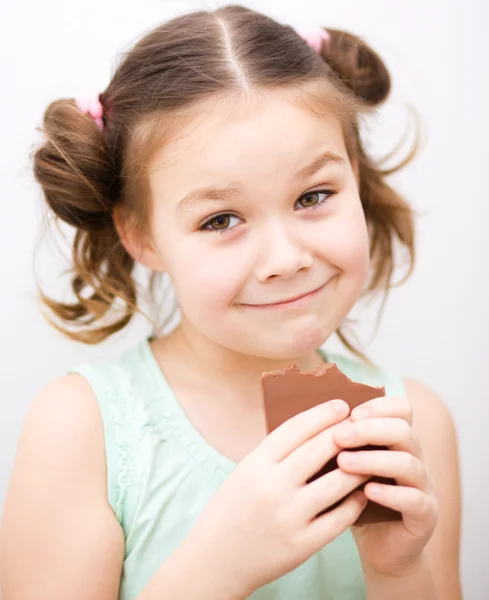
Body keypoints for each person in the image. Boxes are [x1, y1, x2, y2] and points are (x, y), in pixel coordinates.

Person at [0, 5, 462, 600]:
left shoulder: (415, 422)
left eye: (313, 195)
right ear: (142, 235)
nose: (285, 258)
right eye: (221, 219)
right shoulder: (80, 429)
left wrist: (397, 571)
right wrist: (216, 569)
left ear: (354, 175)